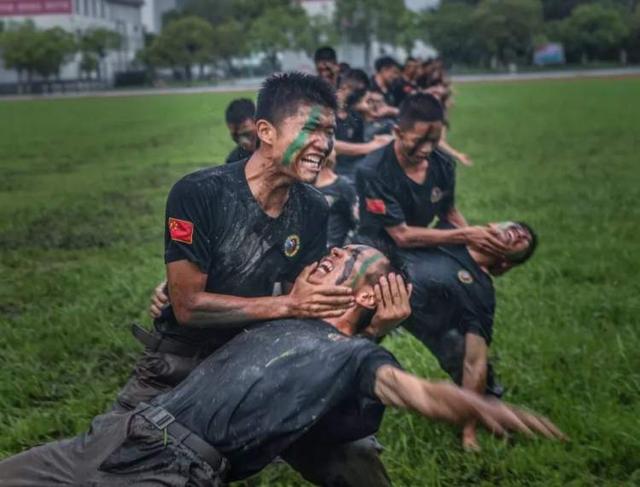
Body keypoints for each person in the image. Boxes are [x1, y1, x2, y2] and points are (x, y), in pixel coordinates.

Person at [0, 245, 565, 486]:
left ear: (367, 297)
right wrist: (167, 299)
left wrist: (485, 406)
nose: (330, 256)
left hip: (168, 471)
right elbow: (191, 305)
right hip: (112, 437)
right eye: (331, 253)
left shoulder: (353, 357)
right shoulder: (273, 311)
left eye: (346, 262)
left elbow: (415, 393)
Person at [119, 72, 409, 485]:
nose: (325, 145)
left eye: (330, 132)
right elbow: (187, 308)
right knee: (110, 460)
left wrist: (373, 329)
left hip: (262, 360)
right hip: (179, 365)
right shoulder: (199, 192)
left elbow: (308, 308)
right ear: (265, 132)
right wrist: (284, 305)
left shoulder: (312, 207)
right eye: (313, 129)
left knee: (357, 461)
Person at [402, 221, 538, 451]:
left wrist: (469, 433)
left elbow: (474, 362)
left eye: (523, 241)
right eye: (516, 226)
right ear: (491, 225)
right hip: (370, 281)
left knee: (459, 347)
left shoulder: (480, 293)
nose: (521, 232)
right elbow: (400, 231)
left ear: (505, 264)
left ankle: (488, 405)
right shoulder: (446, 233)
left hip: (412, 314)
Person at [354, 92, 509, 258]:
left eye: (434, 141)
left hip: (418, 247)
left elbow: (449, 212)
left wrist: (478, 245)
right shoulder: (373, 170)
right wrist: (467, 235)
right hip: (377, 254)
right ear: (398, 133)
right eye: (418, 141)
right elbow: (401, 236)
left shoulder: (443, 164)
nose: (426, 149)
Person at [333, 68, 393, 180]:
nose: (362, 98)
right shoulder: (326, 110)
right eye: (359, 93)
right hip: (336, 173)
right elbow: (331, 145)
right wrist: (369, 147)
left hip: (356, 169)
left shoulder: (355, 112)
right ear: (345, 88)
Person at [315, 148, 358, 247]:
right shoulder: (302, 185)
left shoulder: (343, 187)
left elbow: (357, 224)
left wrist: (346, 248)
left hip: (333, 250)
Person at [224, 98, 257, 163]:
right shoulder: (234, 161)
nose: (243, 141)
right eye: (236, 136)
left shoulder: (280, 151)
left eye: (247, 134)